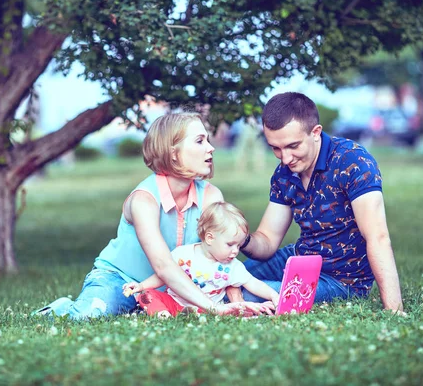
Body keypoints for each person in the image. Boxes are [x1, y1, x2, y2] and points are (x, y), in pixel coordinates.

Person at [32, 112, 265, 319]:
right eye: (199, 141)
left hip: (182, 287)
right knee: (92, 314)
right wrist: (213, 308)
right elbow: (163, 265)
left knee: (257, 301)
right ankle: (60, 309)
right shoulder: (144, 200)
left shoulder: (212, 196)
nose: (211, 148)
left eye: (208, 140)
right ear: (173, 153)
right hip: (122, 280)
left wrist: (236, 302)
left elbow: (222, 257)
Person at [229, 92, 404, 313]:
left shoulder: (353, 161)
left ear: (316, 133)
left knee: (250, 293)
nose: (285, 158)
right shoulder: (285, 172)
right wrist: (241, 239)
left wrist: (394, 309)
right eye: (275, 148)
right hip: (300, 259)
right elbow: (267, 240)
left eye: (293, 146)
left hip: (341, 280)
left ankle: (232, 301)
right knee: (227, 276)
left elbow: (377, 236)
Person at [122, 201, 279, 317]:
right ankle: (163, 315)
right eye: (230, 244)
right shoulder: (183, 254)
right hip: (175, 303)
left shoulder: (232, 266)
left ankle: (182, 315)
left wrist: (273, 295)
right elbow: (162, 277)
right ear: (210, 238)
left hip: (208, 309)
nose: (235, 251)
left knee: (236, 310)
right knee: (147, 295)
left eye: (239, 246)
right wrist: (141, 285)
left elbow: (253, 283)